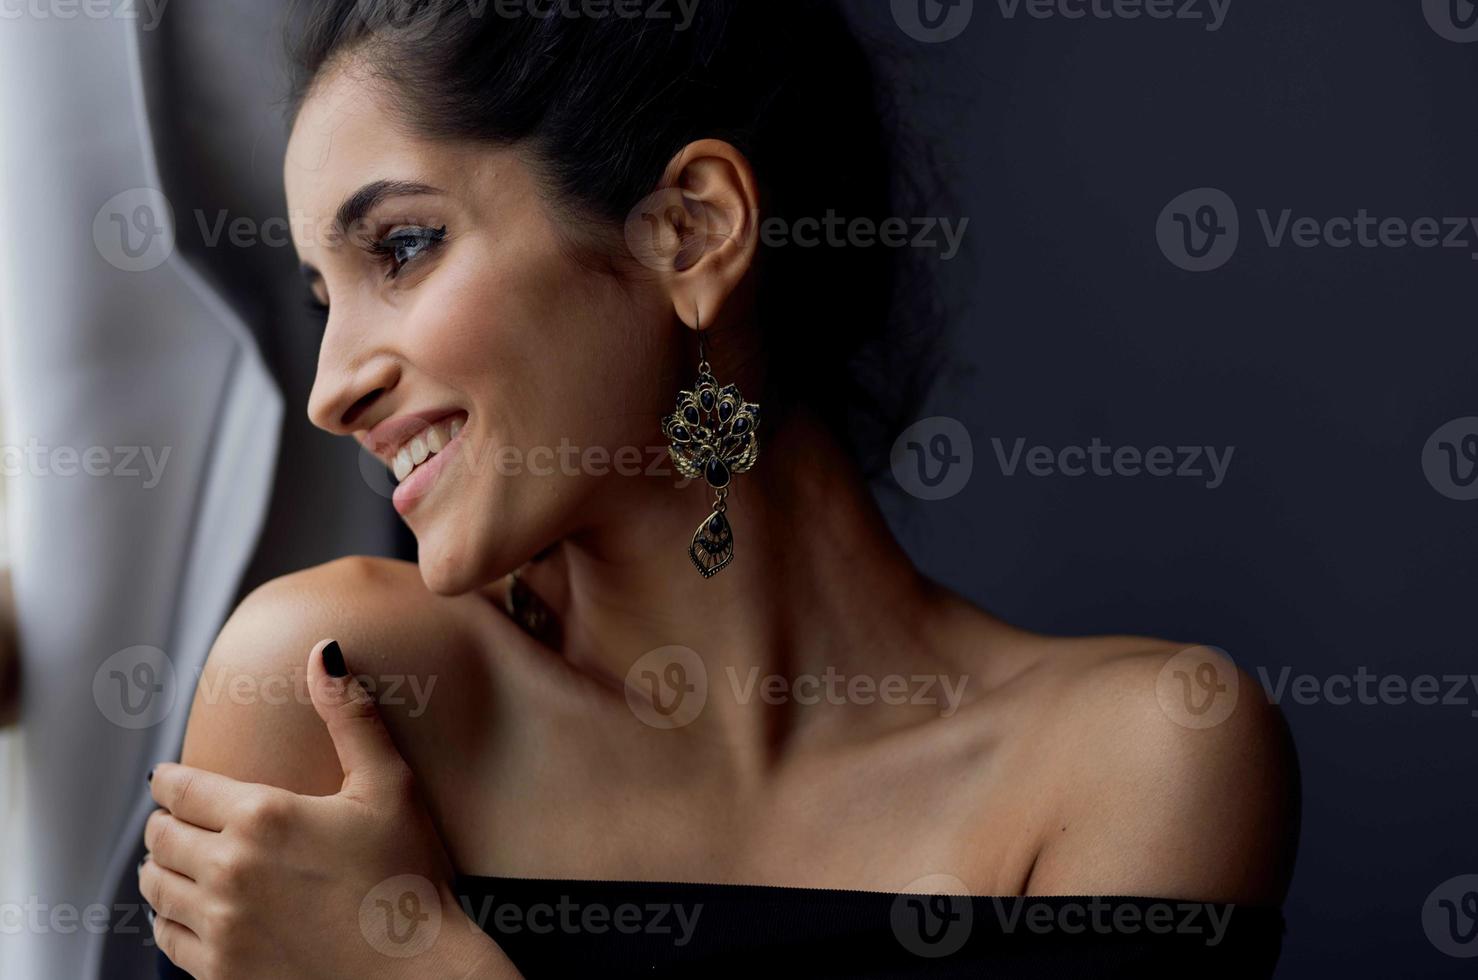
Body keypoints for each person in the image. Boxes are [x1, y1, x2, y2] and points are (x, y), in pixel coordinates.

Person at [140, 1, 1299, 976]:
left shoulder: (1141, 758)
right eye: (319, 296)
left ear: (689, 231)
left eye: (399, 248)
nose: (332, 388)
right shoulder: (338, 692)